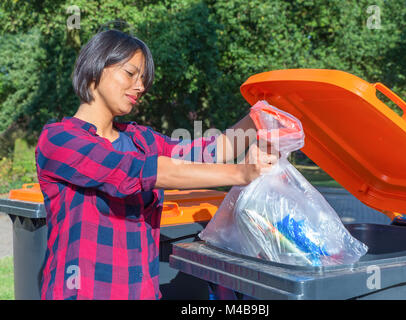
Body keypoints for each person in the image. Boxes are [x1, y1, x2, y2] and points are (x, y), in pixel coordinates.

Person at [35, 29, 277, 300]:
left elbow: (208, 151)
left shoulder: (140, 138)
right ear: (96, 67)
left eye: (143, 80)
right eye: (130, 74)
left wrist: (260, 111)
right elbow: (141, 171)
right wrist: (241, 173)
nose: (140, 87)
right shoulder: (59, 139)